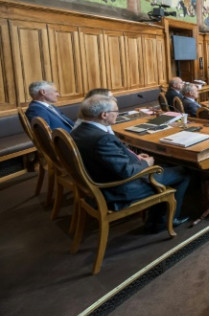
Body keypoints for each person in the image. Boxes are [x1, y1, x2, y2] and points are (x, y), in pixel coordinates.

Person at [71, 95, 191, 232]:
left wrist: (135, 157)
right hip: (118, 190)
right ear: (104, 115)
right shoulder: (102, 139)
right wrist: (145, 163)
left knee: (165, 167)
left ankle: (156, 217)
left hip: (100, 179)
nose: (117, 114)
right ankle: (164, 222)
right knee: (183, 172)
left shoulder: (79, 131)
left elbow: (110, 159)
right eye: (116, 111)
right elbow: (125, 172)